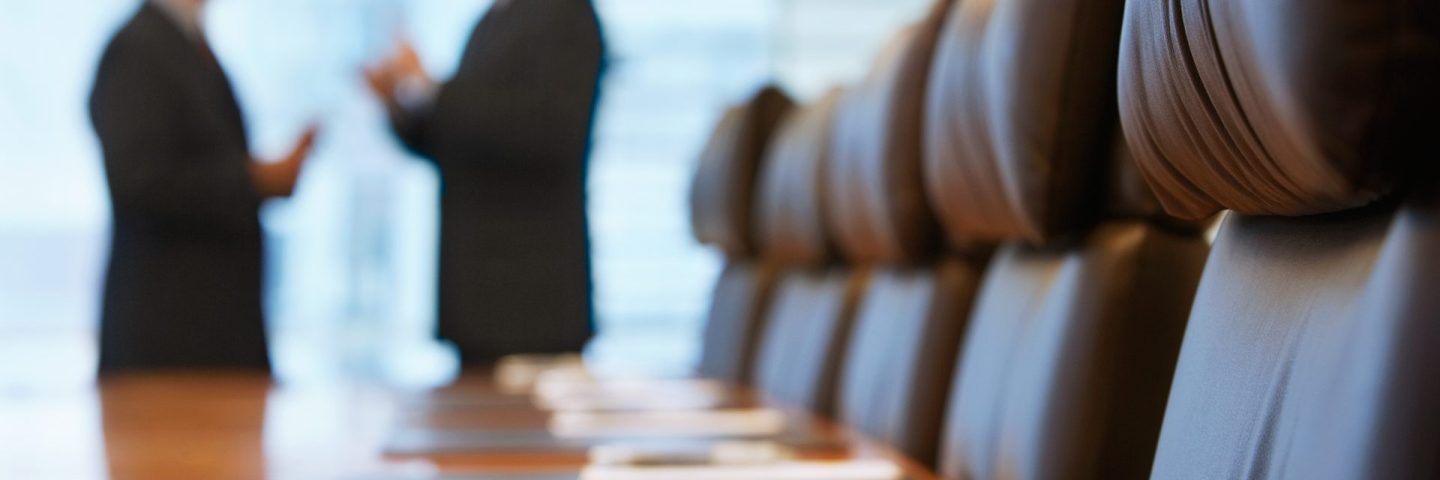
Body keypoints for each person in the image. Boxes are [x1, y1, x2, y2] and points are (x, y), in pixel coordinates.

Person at [365, 0, 606, 366]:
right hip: (475, 297)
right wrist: (398, 104)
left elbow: (547, 133)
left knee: (525, 419)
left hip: (532, 299)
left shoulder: (564, 12)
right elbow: (459, 142)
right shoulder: (490, 22)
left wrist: (432, 88)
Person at [89, 0, 317, 372]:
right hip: (169, 338)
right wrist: (253, 180)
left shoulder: (188, 44)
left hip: (209, 332)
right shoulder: (137, 48)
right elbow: (139, 181)